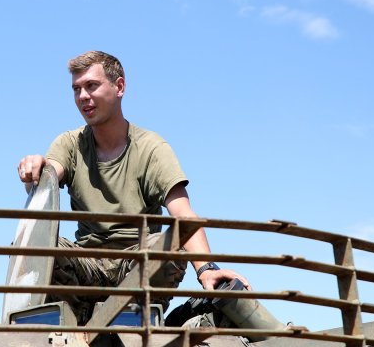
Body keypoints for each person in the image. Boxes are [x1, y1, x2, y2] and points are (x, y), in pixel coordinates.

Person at [17, 50, 248, 324]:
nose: (83, 96)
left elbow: (183, 213)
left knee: (171, 246)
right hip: (86, 266)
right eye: (76, 89)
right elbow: (50, 176)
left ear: (119, 87)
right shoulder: (70, 144)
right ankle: (70, 324)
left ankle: (131, 323)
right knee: (37, 248)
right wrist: (37, 170)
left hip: (137, 265)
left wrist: (206, 269)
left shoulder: (151, 148)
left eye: (92, 85)